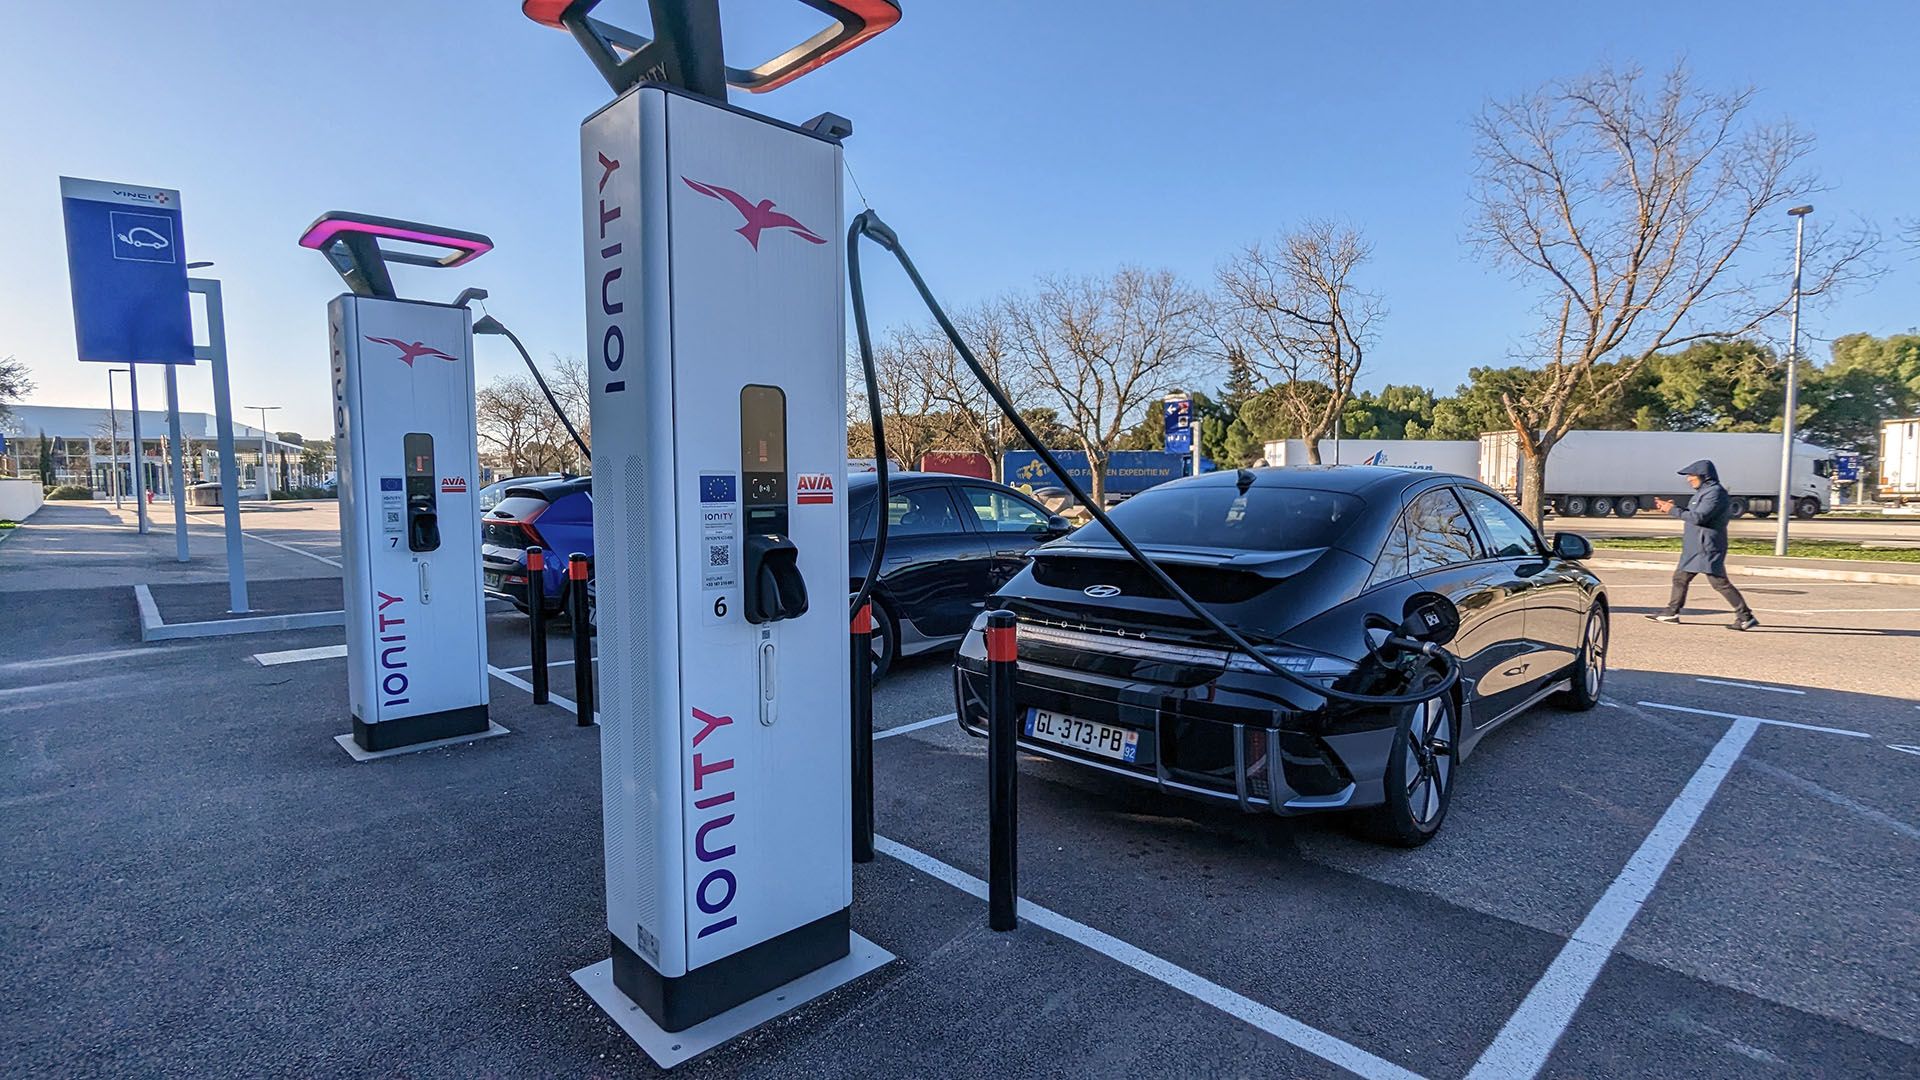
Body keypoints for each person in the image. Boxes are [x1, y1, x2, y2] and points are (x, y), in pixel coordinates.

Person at [1648, 459, 1758, 630]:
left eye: (1691, 475)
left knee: (1719, 582)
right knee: (1680, 578)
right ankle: (1671, 612)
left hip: (1706, 546)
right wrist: (1672, 507)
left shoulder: (1715, 493)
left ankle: (1745, 617)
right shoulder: (1703, 492)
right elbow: (1693, 513)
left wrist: (1672, 510)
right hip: (1695, 547)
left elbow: (1699, 517)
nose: (1688, 479)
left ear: (1704, 476)